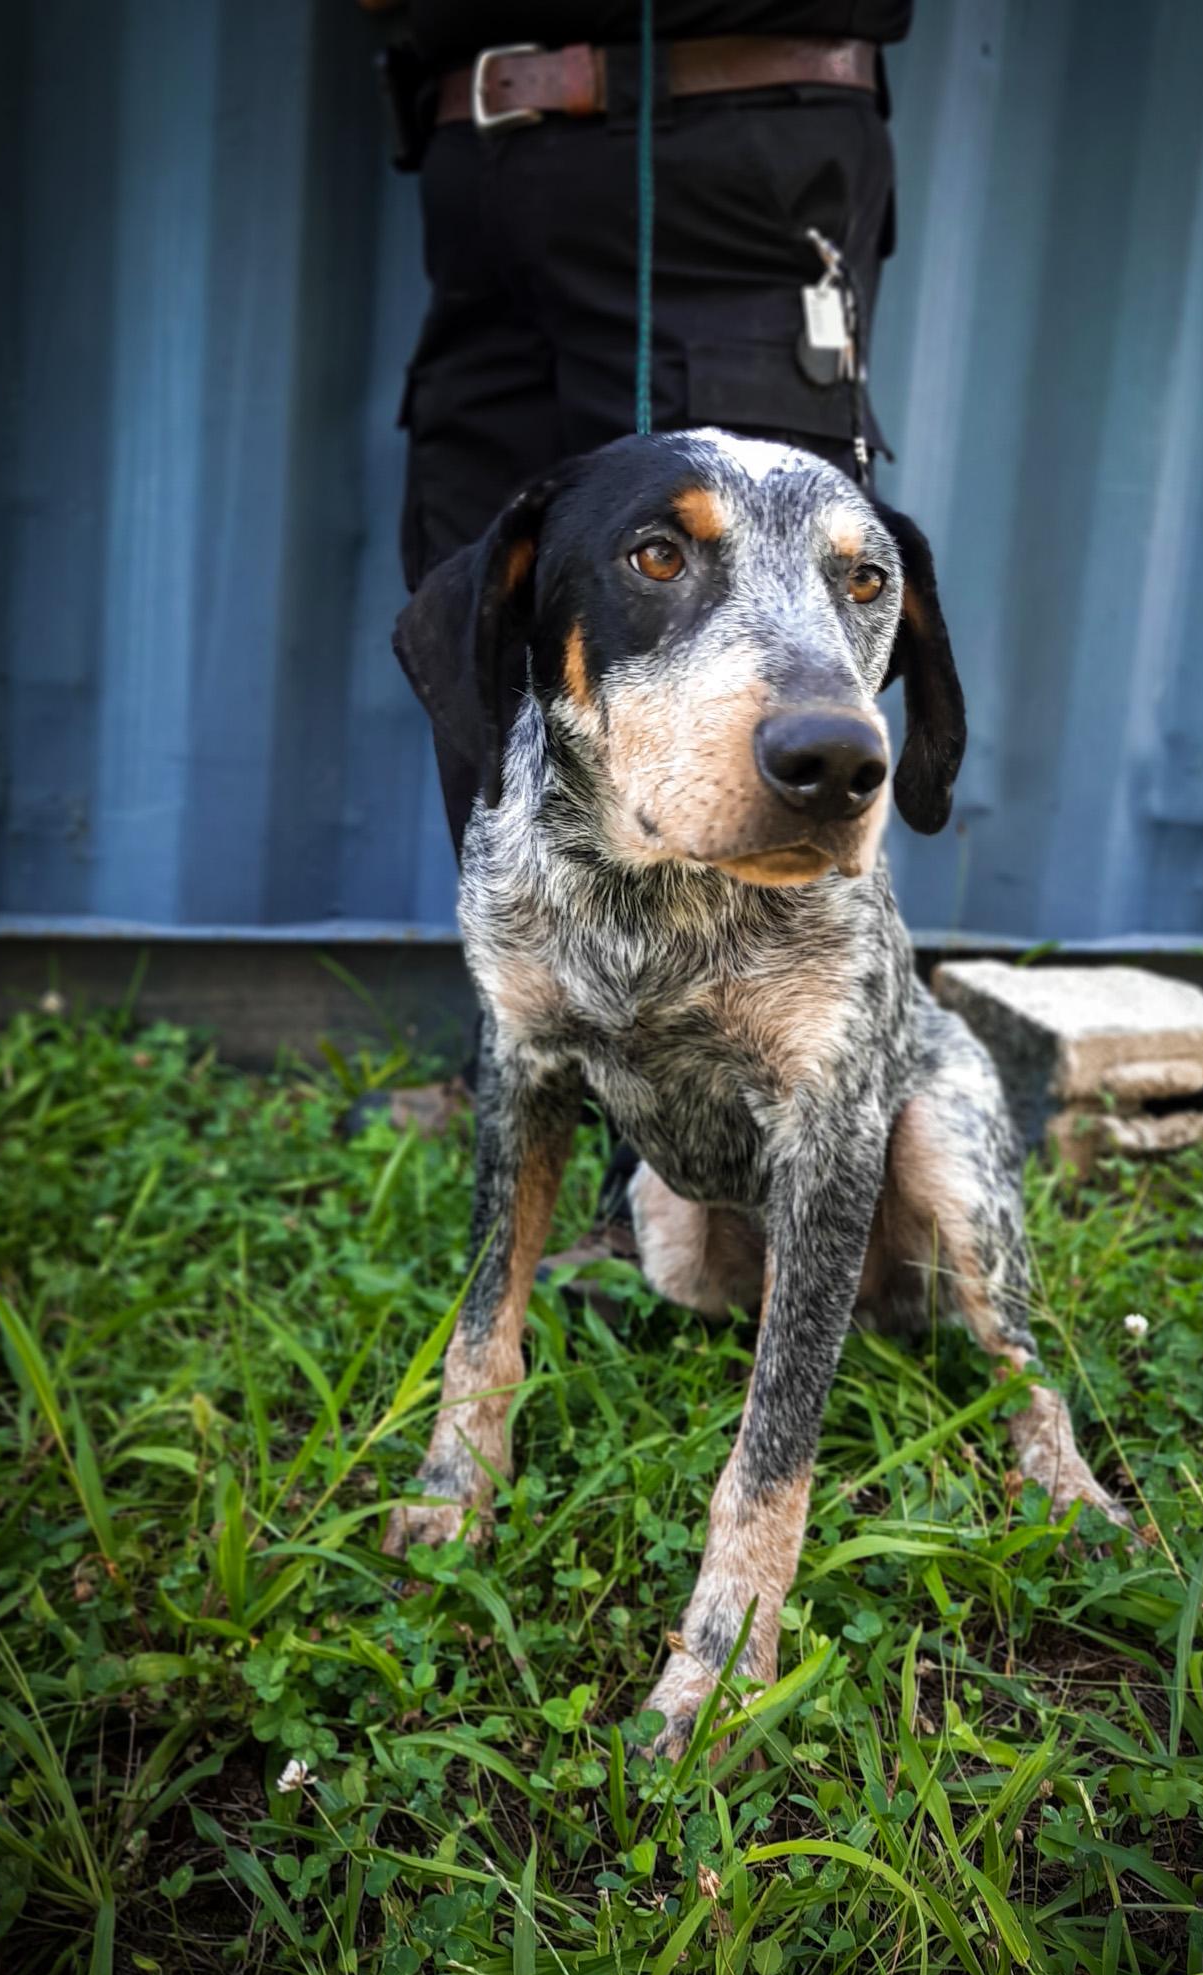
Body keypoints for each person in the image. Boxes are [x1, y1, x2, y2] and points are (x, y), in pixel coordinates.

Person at [358, 5, 913, 1252]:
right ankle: (554, 1056)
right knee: (485, 640)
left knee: (752, 654)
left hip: (718, 137)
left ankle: (695, 1170)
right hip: (476, 158)